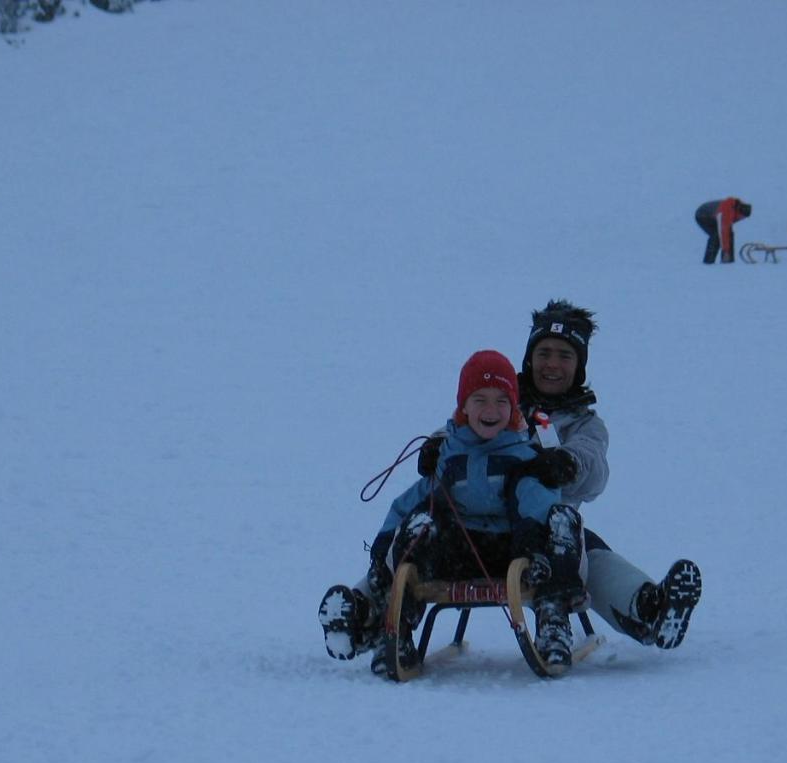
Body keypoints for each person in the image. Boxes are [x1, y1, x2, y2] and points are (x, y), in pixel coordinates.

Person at [420, 300, 702, 649]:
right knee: (413, 533)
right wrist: (435, 446)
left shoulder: (586, 424)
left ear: (579, 366)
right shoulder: (500, 401)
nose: (552, 364)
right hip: (472, 532)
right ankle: (362, 611)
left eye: (565, 356)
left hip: (548, 539)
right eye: (545, 353)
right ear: (529, 358)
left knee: (584, 547)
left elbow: (593, 464)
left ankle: (647, 607)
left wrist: (566, 463)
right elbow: (458, 429)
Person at [319, 350, 586, 673]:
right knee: (418, 525)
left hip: (515, 554)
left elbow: (539, 500)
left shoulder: (523, 454)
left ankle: (553, 622)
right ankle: (396, 632)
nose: (491, 410)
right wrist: (384, 545)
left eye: (502, 401)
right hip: (459, 553)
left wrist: (530, 541)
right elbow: (412, 501)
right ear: (463, 406)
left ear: (514, 407)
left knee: (562, 519)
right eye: (480, 400)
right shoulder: (449, 456)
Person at [695, 197, 752, 264]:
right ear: (739, 212)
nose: (741, 219)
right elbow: (723, 232)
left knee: (729, 234)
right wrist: (726, 252)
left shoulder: (737, 206)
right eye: (742, 217)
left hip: (715, 216)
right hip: (703, 215)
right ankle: (708, 262)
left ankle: (729, 261)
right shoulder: (726, 212)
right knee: (716, 236)